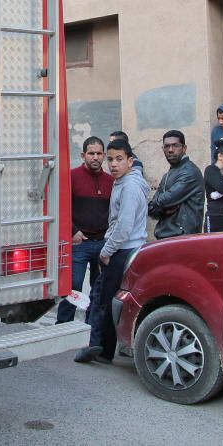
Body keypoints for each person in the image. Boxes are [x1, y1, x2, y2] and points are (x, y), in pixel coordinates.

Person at [74, 138, 148, 364]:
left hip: (122, 250)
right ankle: (102, 347)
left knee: (102, 300)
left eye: (119, 160)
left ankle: (99, 348)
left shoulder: (130, 186)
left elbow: (123, 226)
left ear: (130, 161)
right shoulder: (123, 182)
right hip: (123, 248)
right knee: (102, 298)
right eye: (110, 160)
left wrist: (106, 251)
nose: (113, 164)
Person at [55, 137, 113, 324]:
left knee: (98, 289)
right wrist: (73, 231)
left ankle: (91, 329)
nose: (95, 157)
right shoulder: (72, 176)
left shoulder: (110, 181)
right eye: (91, 153)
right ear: (83, 155)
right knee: (72, 288)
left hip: (102, 244)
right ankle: (62, 328)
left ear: (104, 155)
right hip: (79, 244)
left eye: (99, 153)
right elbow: (61, 205)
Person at [148, 130, 204, 238]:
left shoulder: (189, 172)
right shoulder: (168, 174)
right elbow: (151, 209)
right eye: (167, 146)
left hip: (183, 238)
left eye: (175, 145)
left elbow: (165, 200)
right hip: (167, 237)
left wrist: (159, 204)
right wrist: (163, 209)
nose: (170, 150)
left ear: (184, 148)